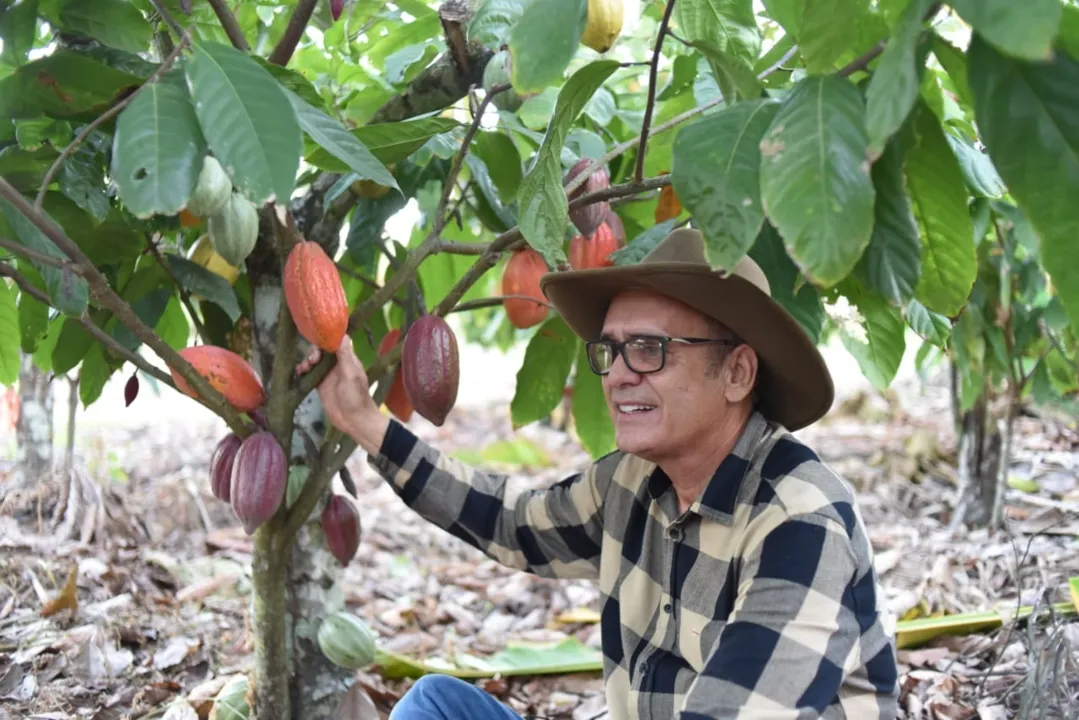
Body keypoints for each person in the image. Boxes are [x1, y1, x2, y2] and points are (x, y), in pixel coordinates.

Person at [296, 228, 899, 719]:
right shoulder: (632, 484)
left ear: (738, 373)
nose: (616, 376)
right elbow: (512, 523)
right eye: (611, 351)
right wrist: (365, 423)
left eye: (650, 349)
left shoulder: (800, 525)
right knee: (436, 706)